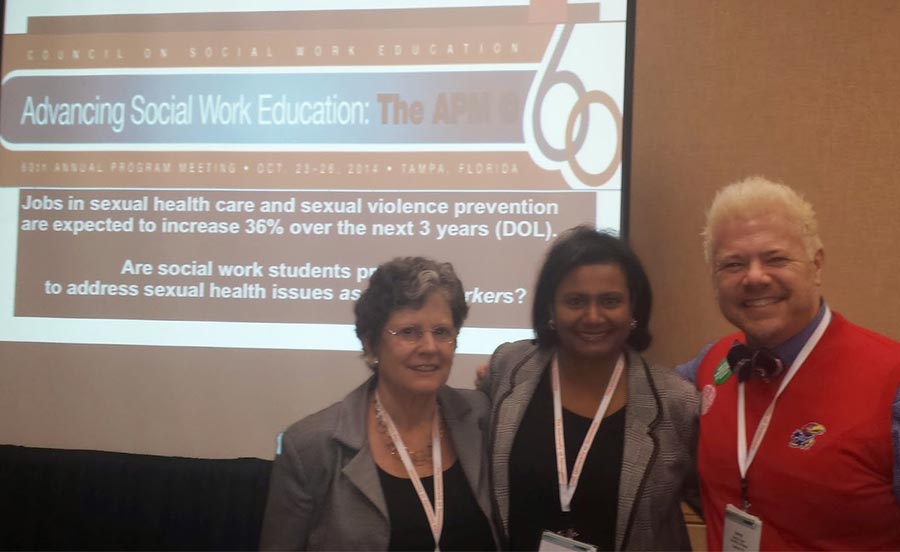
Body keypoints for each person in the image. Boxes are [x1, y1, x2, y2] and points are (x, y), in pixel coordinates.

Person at [678, 176, 900, 550]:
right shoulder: (709, 366)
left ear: (817, 264)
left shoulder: (892, 380)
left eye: (775, 258)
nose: (754, 277)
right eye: (733, 264)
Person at [479, 225, 699, 551]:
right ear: (550, 307)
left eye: (610, 301)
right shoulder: (508, 369)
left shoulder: (676, 403)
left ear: (633, 308)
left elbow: (714, 498)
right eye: (576, 301)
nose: (593, 317)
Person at [259, 257, 499, 550]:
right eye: (409, 332)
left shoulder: (482, 419)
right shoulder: (311, 447)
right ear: (371, 344)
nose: (429, 347)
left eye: (442, 332)